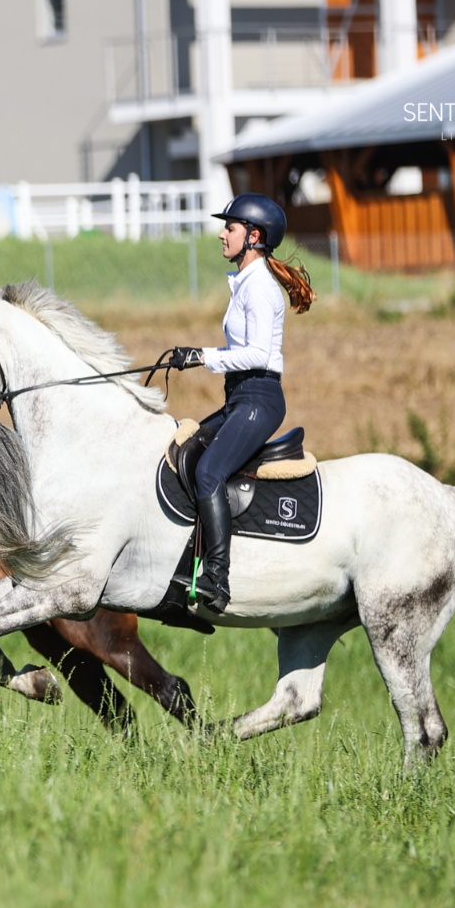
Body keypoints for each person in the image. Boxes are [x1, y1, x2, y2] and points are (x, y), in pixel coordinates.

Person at [166, 192, 315, 614]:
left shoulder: (262, 288)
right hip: (239, 397)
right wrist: (199, 356)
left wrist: (201, 356)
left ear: (253, 236)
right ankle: (187, 564)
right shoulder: (245, 283)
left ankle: (218, 579)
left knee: (211, 471)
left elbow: (258, 356)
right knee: (189, 450)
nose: (220, 234)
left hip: (260, 397)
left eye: (228, 228)